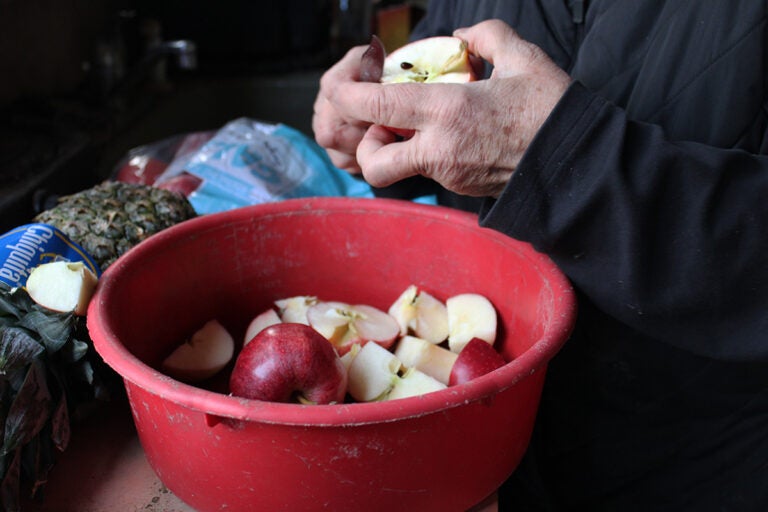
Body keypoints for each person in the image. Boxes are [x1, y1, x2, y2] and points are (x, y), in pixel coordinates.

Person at [312, 1, 768, 510]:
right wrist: (377, 132)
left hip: (698, 465)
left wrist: (563, 166)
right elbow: (446, 65)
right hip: (490, 442)